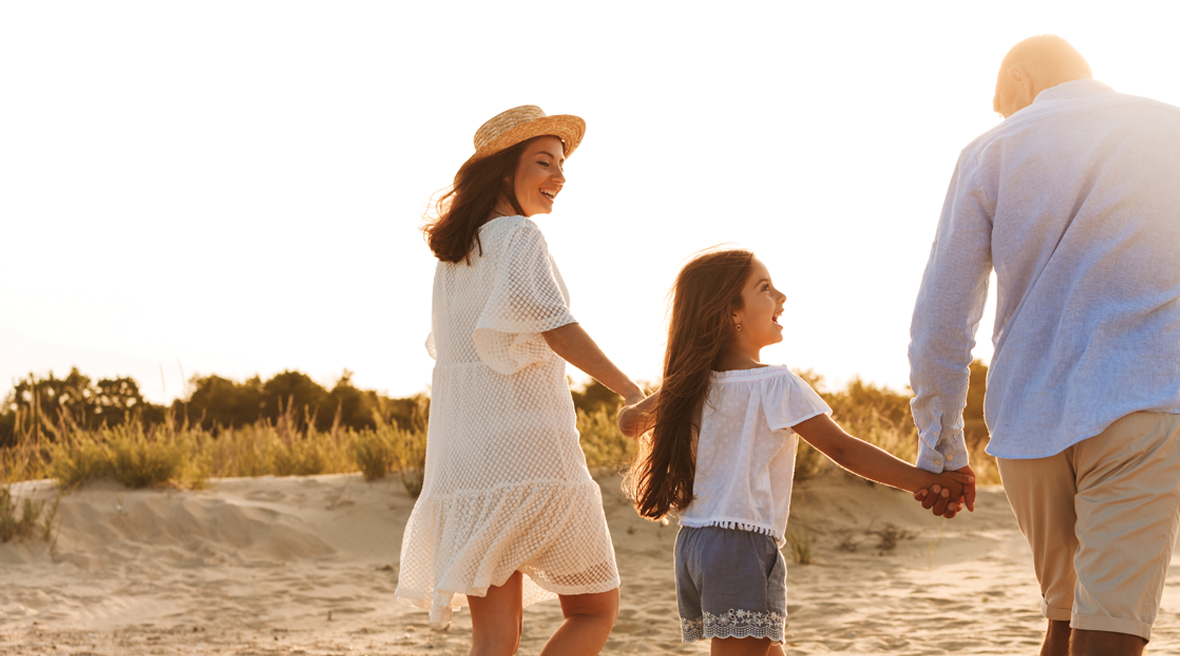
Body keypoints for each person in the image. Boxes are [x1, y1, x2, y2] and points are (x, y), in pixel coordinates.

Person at [908, 35, 1180, 656]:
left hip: (1028, 420)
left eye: (1002, 100)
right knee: (1110, 625)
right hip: (1143, 403)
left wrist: (943, 444)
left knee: (1063, 617)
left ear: (1021, 77)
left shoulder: (990, 151)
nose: (1004, 115)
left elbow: (942, 317)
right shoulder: (1173, 130)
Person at [617, 248, 972, 655]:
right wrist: (929, 481)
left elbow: (630, 423)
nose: (781, 297)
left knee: (768, 650)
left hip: (697, 543)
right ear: (730, 313)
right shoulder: (776, 385)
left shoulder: (689, 385)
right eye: (765, 288)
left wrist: (638, 394)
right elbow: (843, 449)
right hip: (741, 542)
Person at [396, 105, 645, 656]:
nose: (559, 177)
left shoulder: (456, 255)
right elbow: (557, 327)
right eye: (544, 162)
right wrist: (630, 389)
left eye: (561, 165)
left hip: (466, 460)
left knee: (493, 639)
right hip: (531, 452)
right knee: (593, 608)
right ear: (504, 171)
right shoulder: (517, 237)